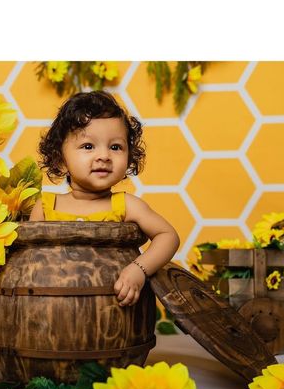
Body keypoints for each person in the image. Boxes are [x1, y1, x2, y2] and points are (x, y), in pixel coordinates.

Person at [29, 91, 180, 307]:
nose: (104, 156)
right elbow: (30, 260)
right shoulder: (45, 207)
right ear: (60, 160)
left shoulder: (127, 205)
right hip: (53, 305)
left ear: (129, 157)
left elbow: (168, 236)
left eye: (115, 147)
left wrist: (139, 269)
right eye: (88, 146)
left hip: (111, 308)